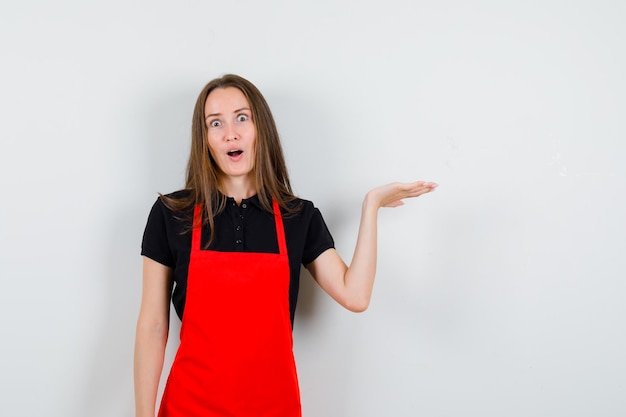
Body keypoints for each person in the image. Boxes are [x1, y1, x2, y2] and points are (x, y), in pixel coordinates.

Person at [134, 74, 437, 417]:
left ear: (260, 128)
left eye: (241, 118)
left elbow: (356, 296)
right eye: (214, 123)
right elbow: (153, 326)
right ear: (204, 139)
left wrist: (371, 206)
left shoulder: (298, 217)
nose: (230, 132)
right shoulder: (172, 214)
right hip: (190, 407)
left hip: (273, 408)